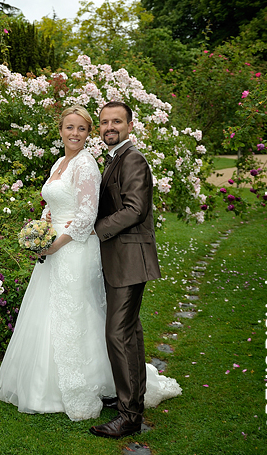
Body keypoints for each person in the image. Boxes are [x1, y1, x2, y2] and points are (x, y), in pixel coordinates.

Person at [0, 105, 181, 424]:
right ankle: (59, 384)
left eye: (82, 128)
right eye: (69, 127)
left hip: (78, 248)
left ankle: (115, 401)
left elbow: (89, 215)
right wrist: (42, 227)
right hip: (58, 246)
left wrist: (59, 241)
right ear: (61, 130)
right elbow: (56, 203)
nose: (75, 133)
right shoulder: (62, 162)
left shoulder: (97, 163)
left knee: (89, 318)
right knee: (68, 317)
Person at [89, 101, 166, 439]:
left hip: (129, 258)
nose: (109, 127)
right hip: (120, 257)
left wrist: (96, 228)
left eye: (116, 121)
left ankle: (129, 417)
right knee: (129, 333)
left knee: (117, 334)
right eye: (105, 122)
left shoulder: (132, 159)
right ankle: (132, 402)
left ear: (130, 126)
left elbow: (135, 209)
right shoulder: (114, 159)